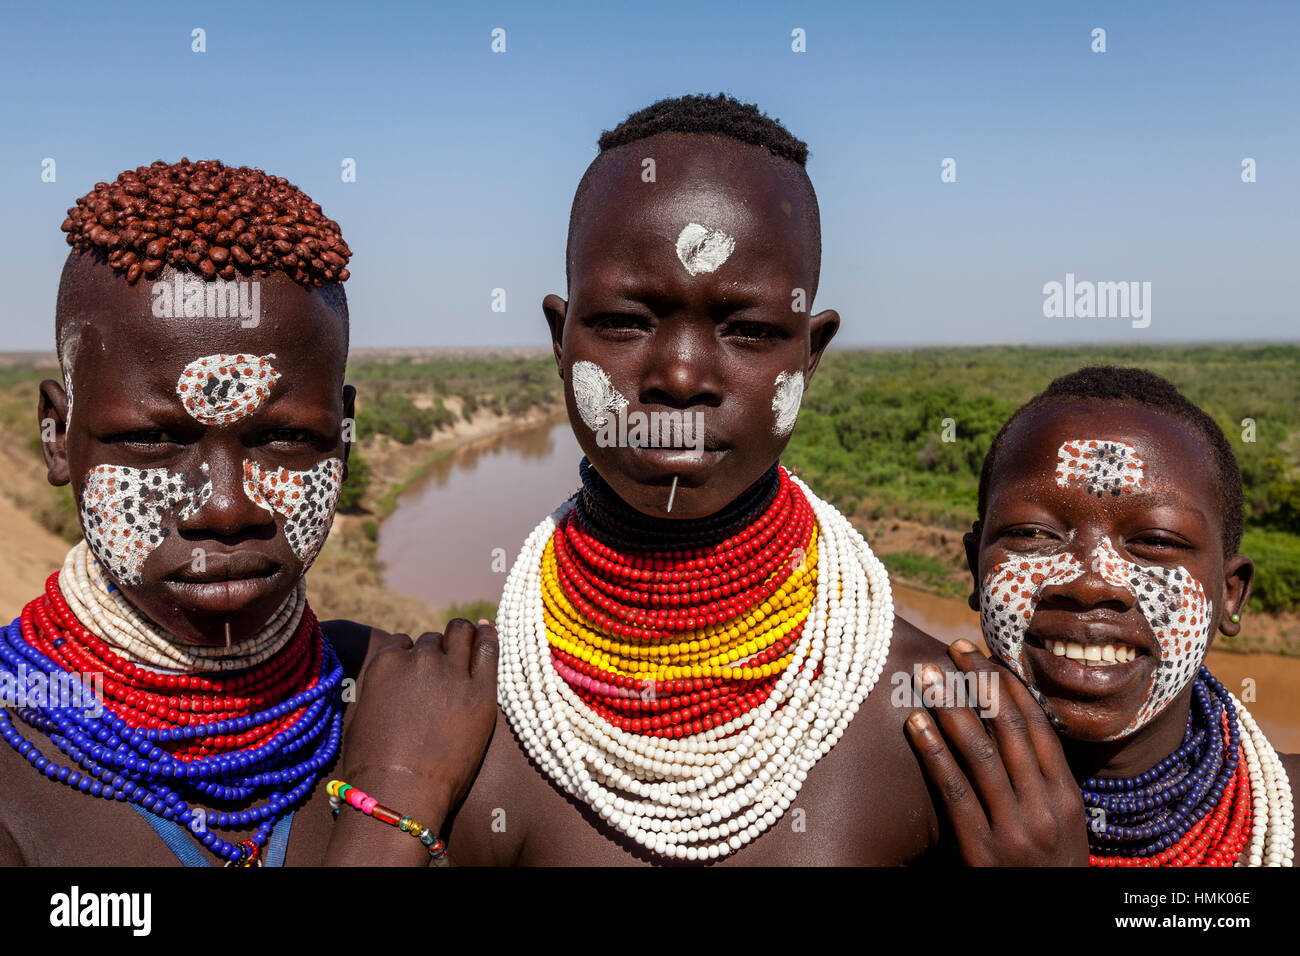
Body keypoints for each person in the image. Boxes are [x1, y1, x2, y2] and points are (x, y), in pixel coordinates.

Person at [446, 93, 1028, 865]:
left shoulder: (938, 720)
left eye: (749, 331)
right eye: (626, 321)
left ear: (808, 357)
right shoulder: (457, 713)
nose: (681, 376)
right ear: (561, 338)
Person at [0, 159, 497, 866]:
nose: (228, 509)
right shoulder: (16, 751)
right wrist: (396, 801)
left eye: (285, 438)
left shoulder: (417, 696)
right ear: (58, 436)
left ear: (343, 433)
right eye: (153, 440)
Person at [908, 366, 1296, 866]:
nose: (1091, 582)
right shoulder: (890, 790)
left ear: (1230, 595)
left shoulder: (1286, 815)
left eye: (1155, 542)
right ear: (977, 571)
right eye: (1033, 534)